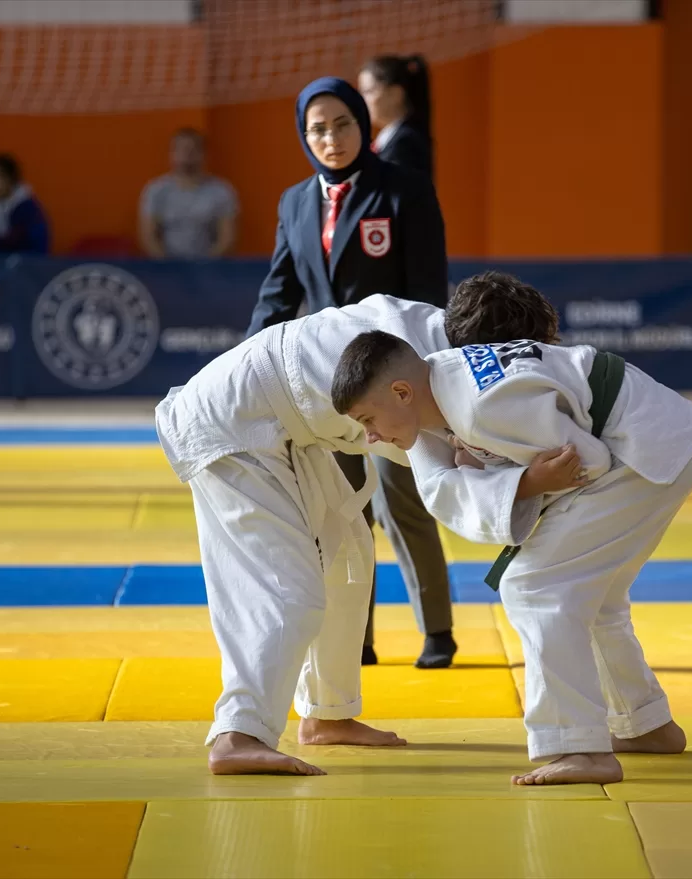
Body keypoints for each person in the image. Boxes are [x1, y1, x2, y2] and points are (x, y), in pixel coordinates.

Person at [155, 289, 582, 777]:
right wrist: (526, 482)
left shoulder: (438, 350)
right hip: (233, 422)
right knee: (285, 589)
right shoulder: (415, 369)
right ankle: (238, 734)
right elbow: (440, 480)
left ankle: (326, 714)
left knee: (348, 563)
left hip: (291, 428)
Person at [330, 271, 692, 786]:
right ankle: (645, 723)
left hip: (641, 452)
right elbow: (461, 482)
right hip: (653, 440)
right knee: (591, 600)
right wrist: (507, 472)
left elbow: (586, 463)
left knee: (534, 586)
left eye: (367, 420)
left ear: (401, 392)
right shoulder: (441, 388)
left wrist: (518, 477)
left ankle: (579, 746)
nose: (370, 438)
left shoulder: (481, 405)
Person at [246, 76, 454, 669]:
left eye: (342, 124)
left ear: (362, 125)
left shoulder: (405, 189)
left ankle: (437, 631)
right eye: (318, 129)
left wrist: (420, 380)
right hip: (323, 385)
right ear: (303, 135)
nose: (331, 139)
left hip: (393, 378)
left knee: (402, 503)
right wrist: (244, 364)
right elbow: (279, 293)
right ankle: (354, 638)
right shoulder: (295, 202)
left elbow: (426, 295)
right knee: (339, 511)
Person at [139, 128, 239, 258]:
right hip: (165, 266)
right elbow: (148, 236)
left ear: (203, 153)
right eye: (182, 149)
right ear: (171, 154)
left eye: (193, 150)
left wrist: (205, 264)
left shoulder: (222, 192)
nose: (187, 155)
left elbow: (227, 238)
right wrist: (166, 264)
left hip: (210, 265)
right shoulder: (156, 191)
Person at [358, 55, 434, 178]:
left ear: (395, 94)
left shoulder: (405, 143)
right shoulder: (391, 138)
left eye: (368, 91)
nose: (362, 100)